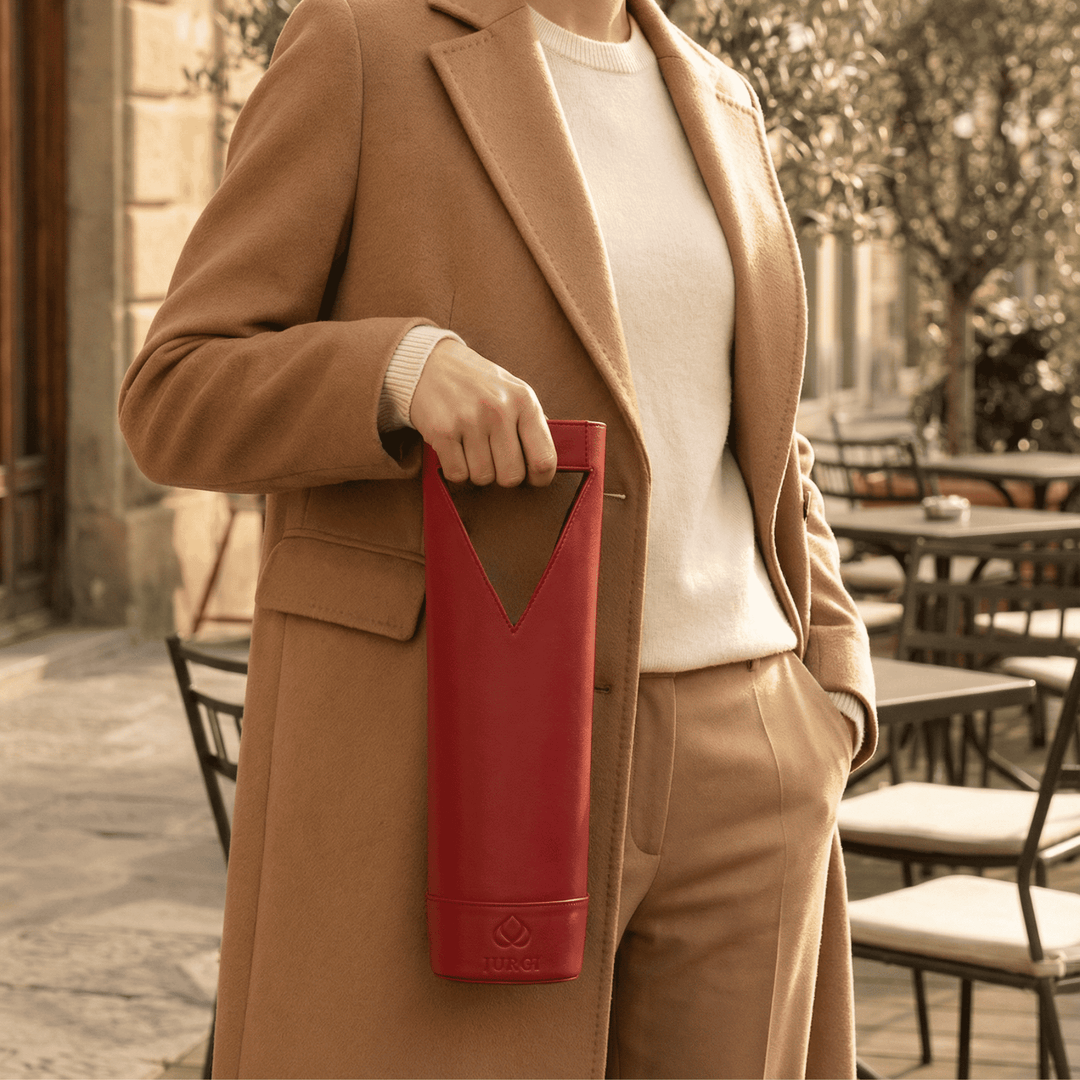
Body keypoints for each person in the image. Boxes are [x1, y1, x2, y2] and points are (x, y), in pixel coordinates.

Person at [119, 0, 878, 1075]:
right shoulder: (360, 44)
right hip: (466, 764)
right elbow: (173, 391)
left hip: (750, 757)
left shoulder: (721, 97)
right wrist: (398, 369)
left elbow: (759, 429)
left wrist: (834, 688)